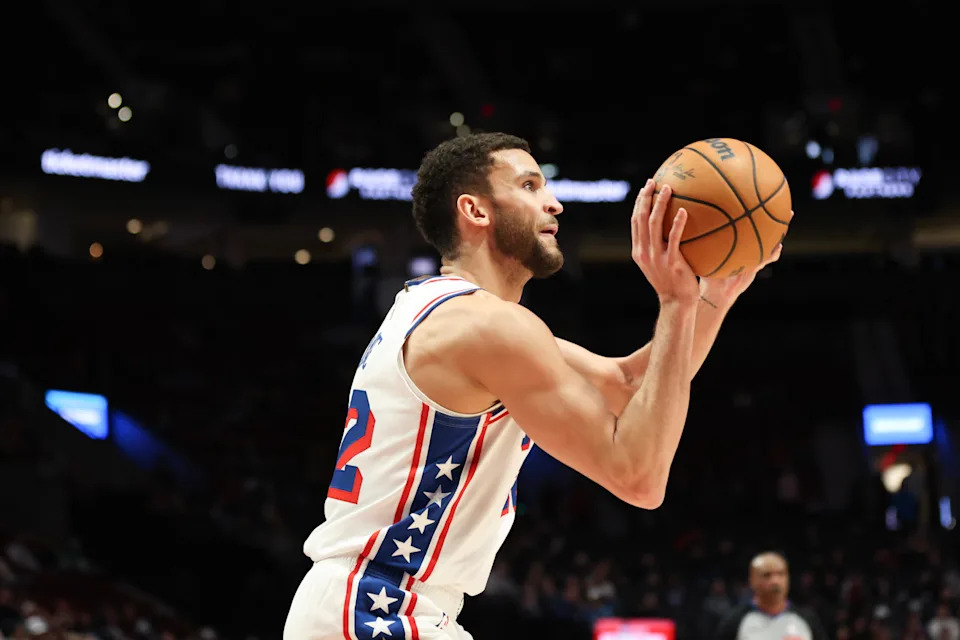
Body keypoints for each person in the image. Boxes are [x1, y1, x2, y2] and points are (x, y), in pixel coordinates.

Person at [284, 132, 782, 639]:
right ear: (475, 211)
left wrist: (714, 294)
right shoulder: (486, 327)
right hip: (375, 609)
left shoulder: (453, 313)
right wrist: (675, 305)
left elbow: (632, 384)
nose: (555, 203)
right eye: (529, 184)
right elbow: (639, 478)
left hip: (380, 604)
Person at [716, 552, 828, 640]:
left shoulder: (807, 619)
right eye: (767, 575)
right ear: (752, 580)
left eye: (781, 574)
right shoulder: (735, 621)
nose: (775, 581)